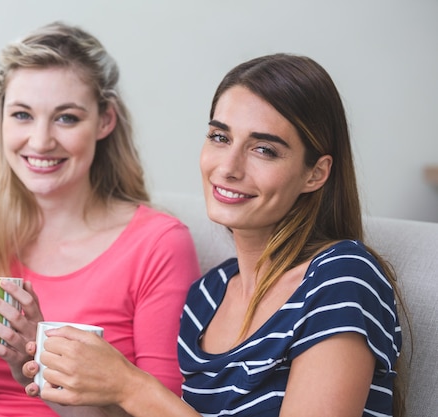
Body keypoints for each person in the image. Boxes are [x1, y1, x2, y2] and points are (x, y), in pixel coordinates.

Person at [22, 53, 405, 417]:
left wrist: (130, 385)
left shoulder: (342, 278)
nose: (228, 167)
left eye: (264, 149)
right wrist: (41, 363)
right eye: (220, 137)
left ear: (315, 173)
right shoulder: (208, 295)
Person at [0, 21, 201, 417]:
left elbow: (159, 412)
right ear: (1, 120)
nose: (41, 141)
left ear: (105, 121)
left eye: (66, 118)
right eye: (23, 115)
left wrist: (32, 364)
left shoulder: (159, 243)